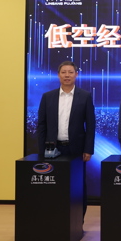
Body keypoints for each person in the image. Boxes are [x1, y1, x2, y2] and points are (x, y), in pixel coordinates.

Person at [36, 61, 95, 217]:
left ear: (76, 74)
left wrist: (88, 149)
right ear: (58, 75)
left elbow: (90, 125)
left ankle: (78, 220)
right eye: (64, 72)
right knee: (54, 185)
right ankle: (54, 218)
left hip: (76, 150)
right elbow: (41, 125)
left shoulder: (85, 96)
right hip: (52, 149)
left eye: (70, 72)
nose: (67, 75)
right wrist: (42, 150)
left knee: (78, 185)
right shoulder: (47, 97)